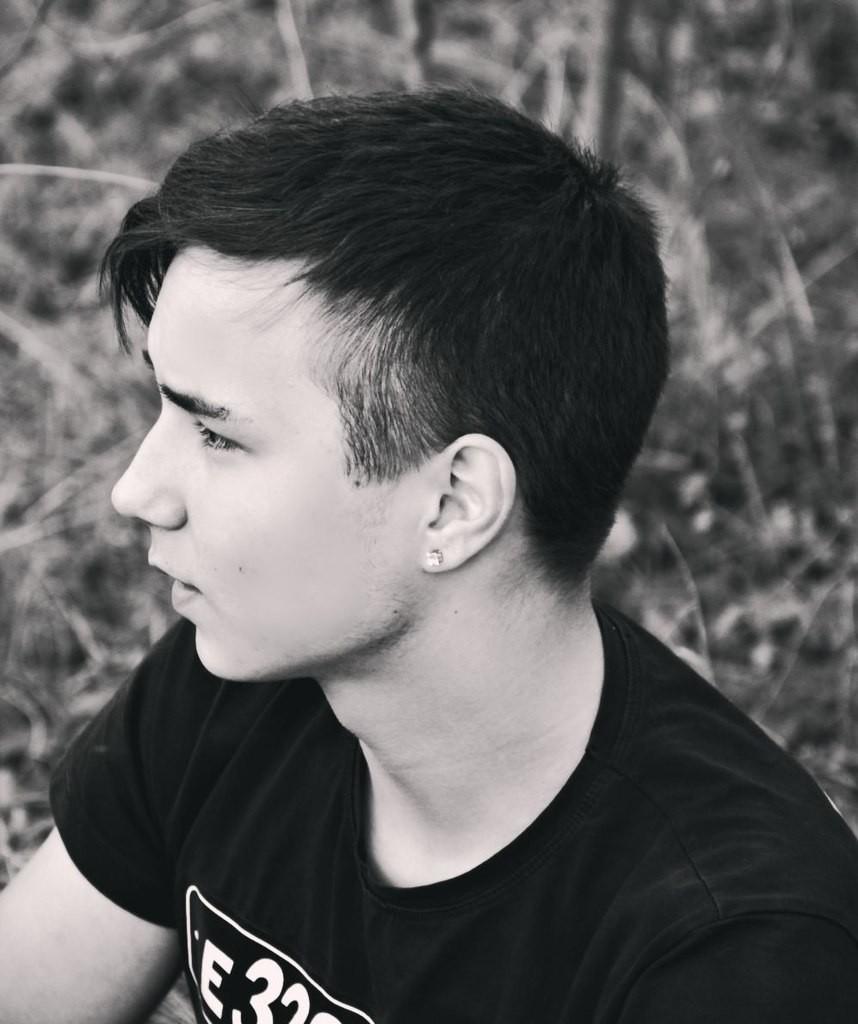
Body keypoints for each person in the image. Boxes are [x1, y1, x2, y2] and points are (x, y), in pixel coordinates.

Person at [1, 88, 857, 1024]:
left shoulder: (732, 953)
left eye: (217, 436)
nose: (135, 491)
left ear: (454, 505)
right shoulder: (236, 685)